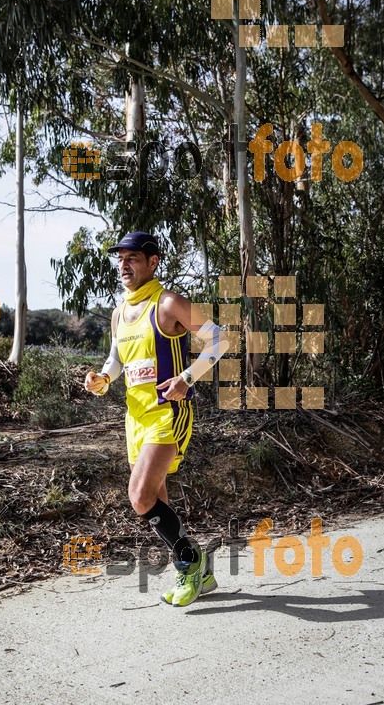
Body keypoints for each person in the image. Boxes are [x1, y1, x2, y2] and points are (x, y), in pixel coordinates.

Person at [84, 231, 229, 607]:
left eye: (133, 258)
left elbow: (219, 339)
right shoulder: (119, 314)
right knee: (156, 496)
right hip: (135, 418)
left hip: (168, 412)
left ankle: (190, 561)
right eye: (121, 258)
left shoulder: (168, 304)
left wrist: (187, 378)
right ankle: (201, 572)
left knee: (139, 496)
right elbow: (116, 363)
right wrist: (102, 379)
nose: (124, 265)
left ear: (153, 262)